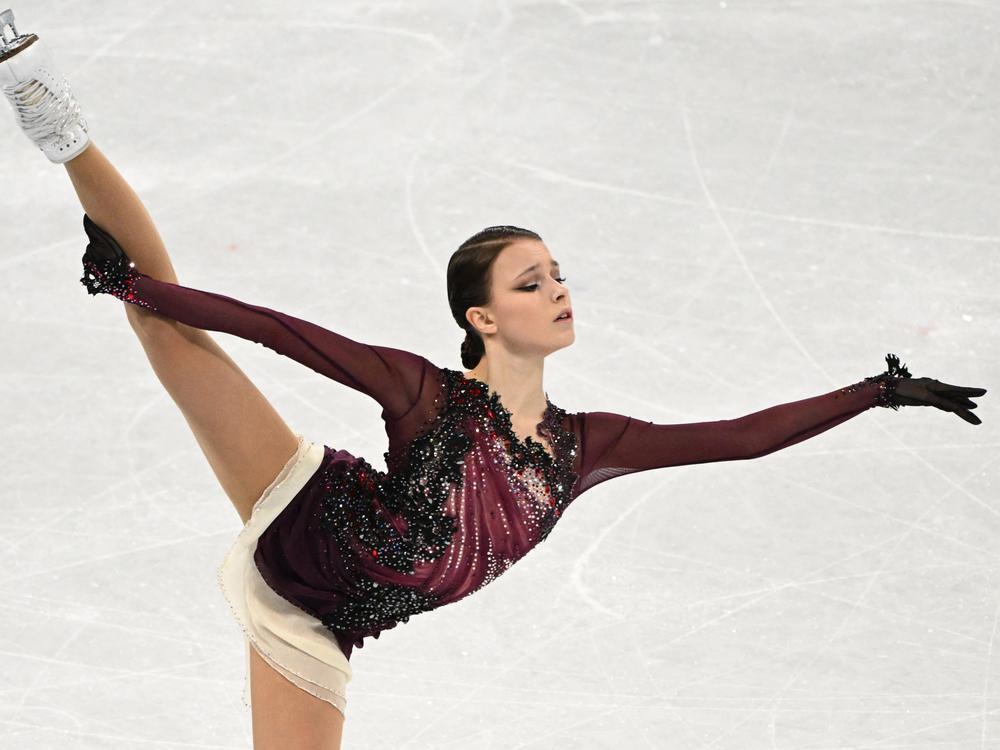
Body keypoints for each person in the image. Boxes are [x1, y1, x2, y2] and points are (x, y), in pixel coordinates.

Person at [1, 10, 987, 750]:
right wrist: (135, 284)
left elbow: (736, 437)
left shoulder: (587, 447)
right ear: (481, 317)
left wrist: (875, 393)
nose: (558, 290)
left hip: (326, 619)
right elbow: (280, 332)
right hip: (306, 506)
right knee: (157, 316)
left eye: (558, 274)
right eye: (530, 280)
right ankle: (51, 110)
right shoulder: (425, 398)